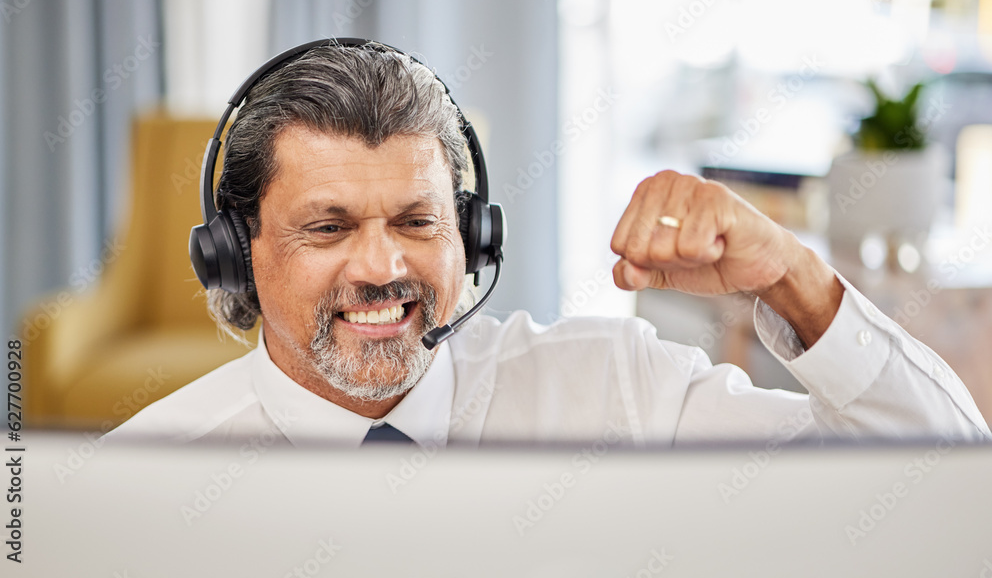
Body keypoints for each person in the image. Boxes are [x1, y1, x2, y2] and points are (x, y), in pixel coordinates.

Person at [108, 41, 990, 447]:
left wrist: (796, 278)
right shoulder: (149, 475)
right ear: (232, 254)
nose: (382, 269)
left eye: (419, 223)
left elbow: (945, 486)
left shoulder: (618, 387)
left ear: (475, 238)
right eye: (329, 228)